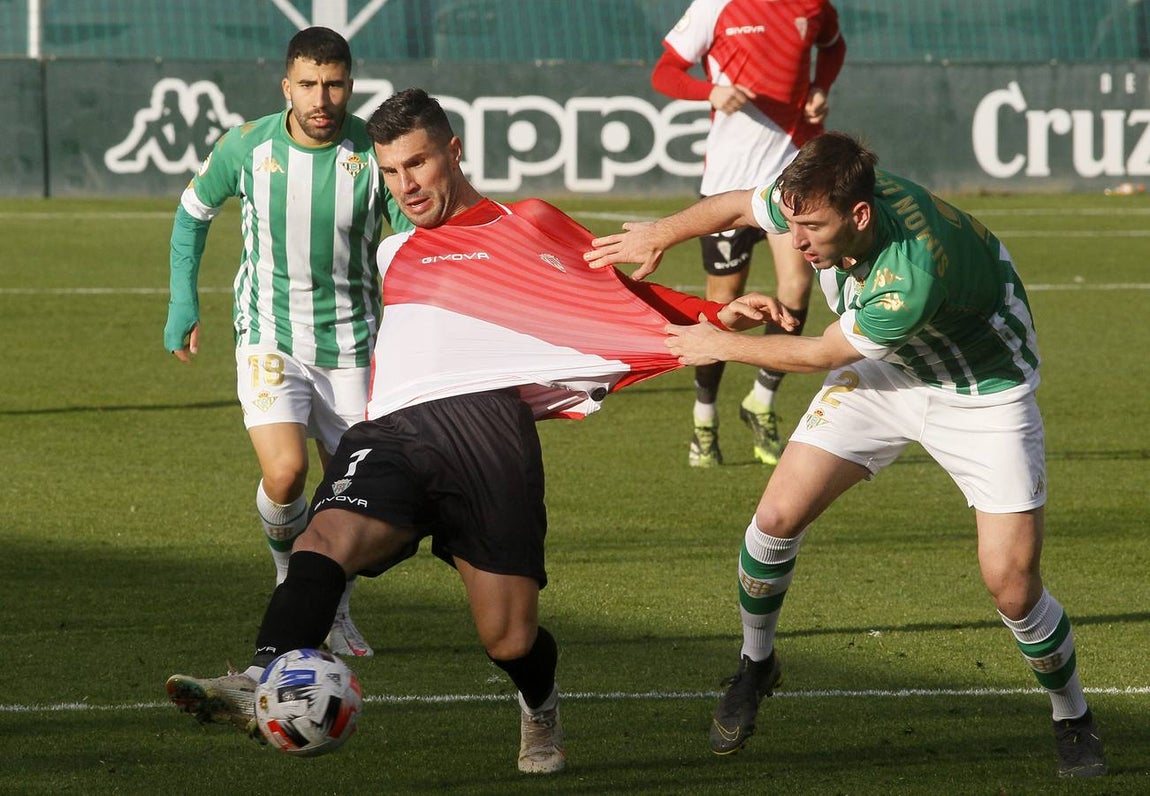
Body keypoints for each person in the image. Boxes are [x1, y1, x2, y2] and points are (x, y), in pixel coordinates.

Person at [164, 88, 793, 775]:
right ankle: (260, 677)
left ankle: (540, 706)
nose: (406, 186)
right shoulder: (393, 250)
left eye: (418, 165)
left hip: (490, 436)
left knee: (509, 640)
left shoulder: (525, 222)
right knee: (323, 536)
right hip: (395, 430)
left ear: (453, 152)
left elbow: (606, 292)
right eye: (392, 172)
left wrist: (710, 316)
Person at [585, 131, 1107, 778]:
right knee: (775, 517)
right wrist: (663, 231)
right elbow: (736, 208)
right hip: (886, 375)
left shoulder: (908, 276)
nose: (797, 244)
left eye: (812, 229)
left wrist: (716, 344)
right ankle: (756, 664)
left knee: (1012, 585)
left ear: (859, 216)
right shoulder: (823, 192)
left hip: (981, 393)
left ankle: (1072, 715)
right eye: (794, 223)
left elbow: (819, 354)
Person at [163, 27, 414, 658]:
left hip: (357, 344)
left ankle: (332, 608)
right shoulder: (246, 145)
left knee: (350, 497)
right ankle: (289, 580)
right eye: (308, 84)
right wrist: (183, 300)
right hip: (270, 334)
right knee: (285, 471)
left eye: (333, 84)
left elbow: (413, 241)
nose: (321, 98)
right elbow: (193, 210)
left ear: (350, 85)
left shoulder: (373, 153)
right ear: (287, 87)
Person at [652, 0, 846, 467]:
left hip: (789, 178)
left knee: (798, 286)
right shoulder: (714, 6)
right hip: (727, 186)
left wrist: (820, 87)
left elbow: (834, 46)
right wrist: (711, 92)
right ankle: (705, 417)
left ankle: (761, 399)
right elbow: (664, 73)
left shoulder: (813, 5)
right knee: (723, 305)